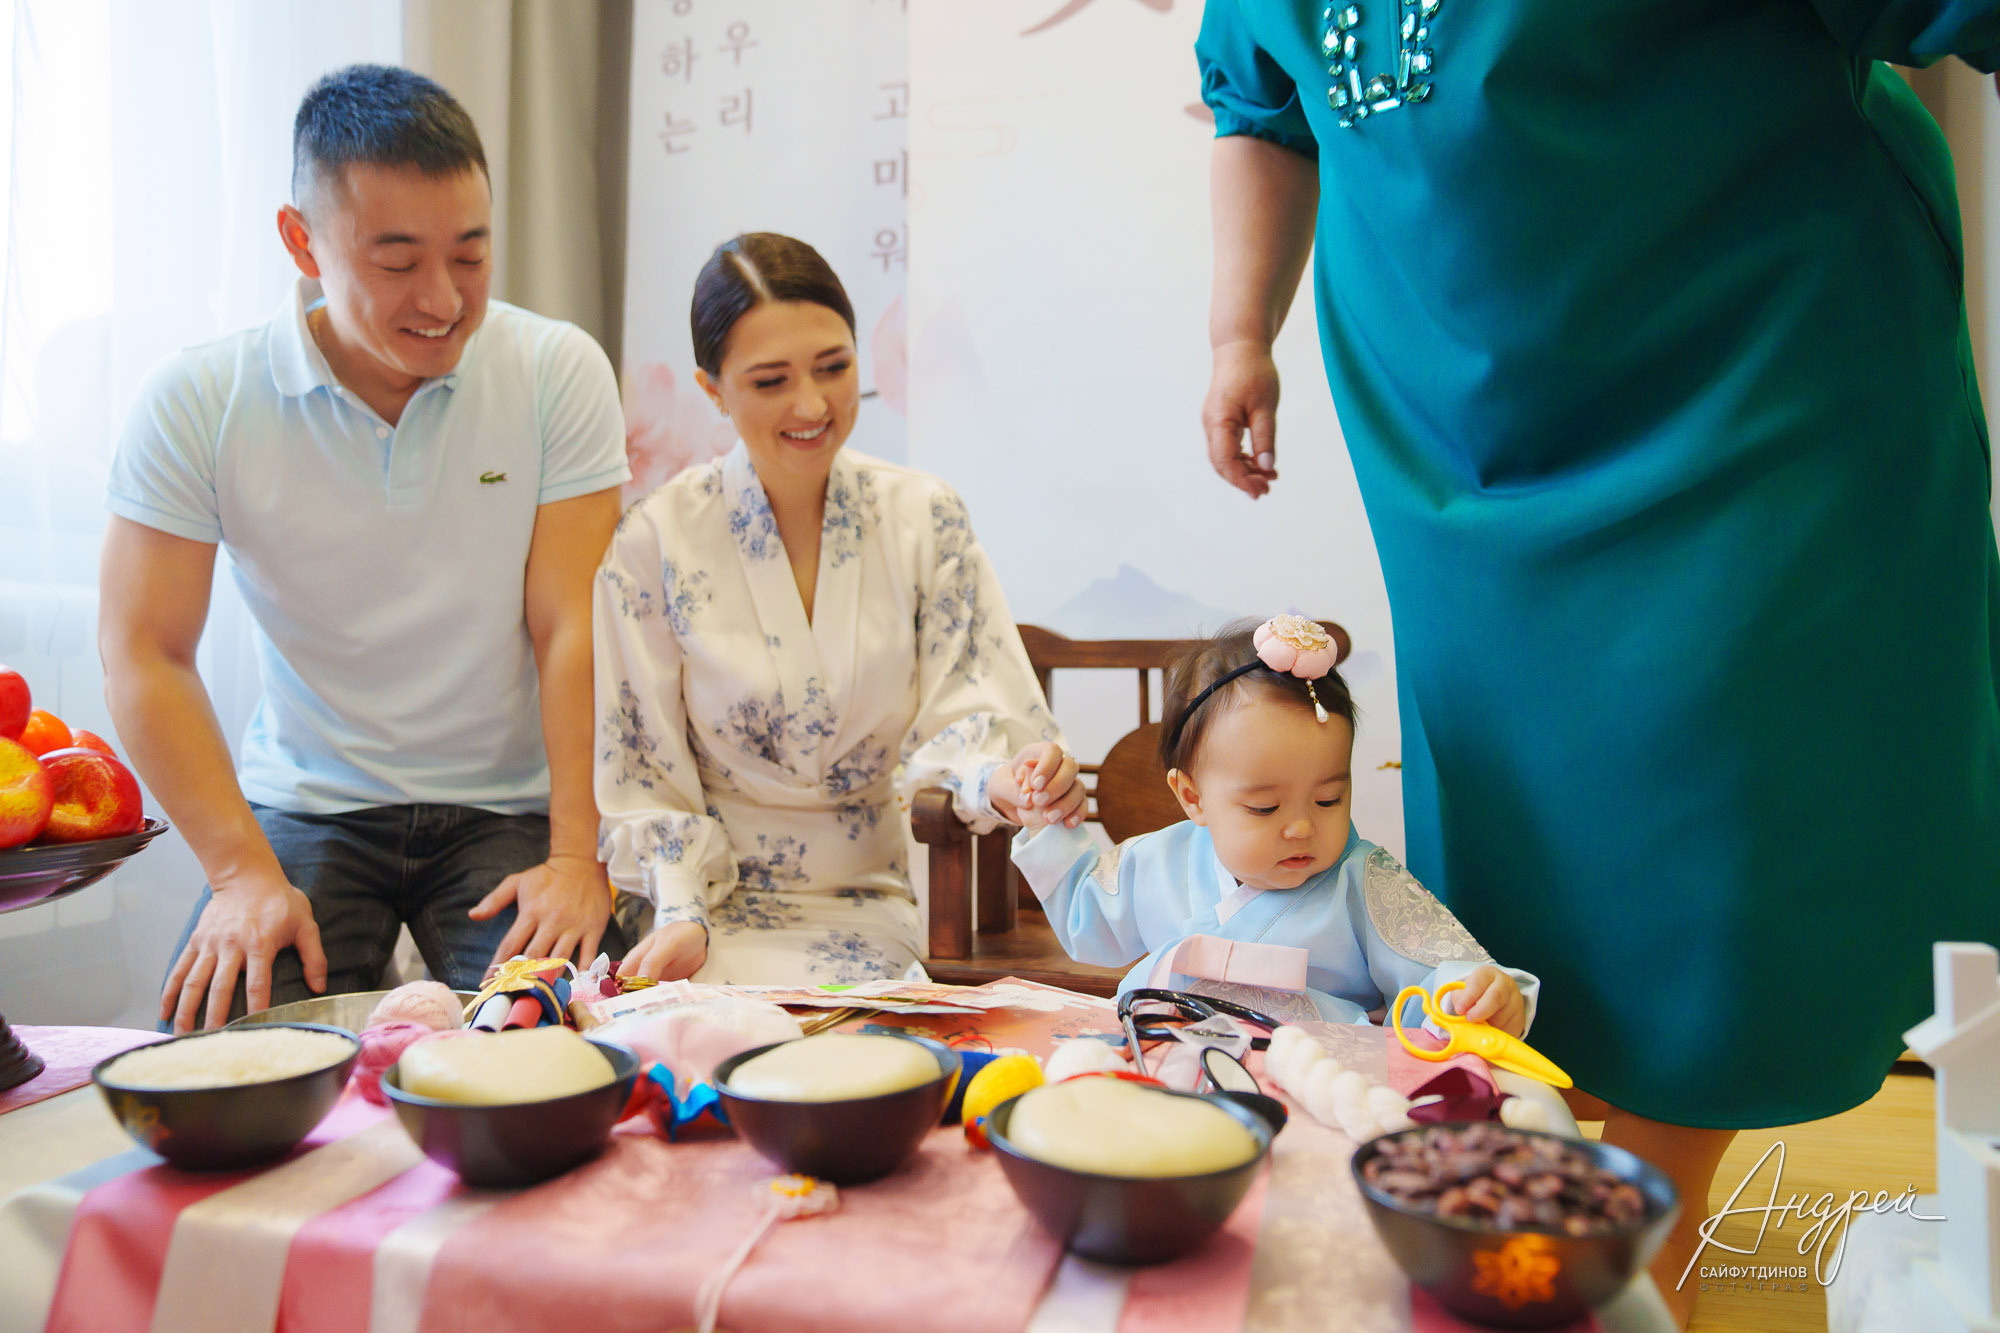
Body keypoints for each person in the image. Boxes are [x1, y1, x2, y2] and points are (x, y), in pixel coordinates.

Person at [1194, 2, 2000, 1321]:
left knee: (1739, 836)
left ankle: (1617, 1253)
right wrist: (1238, 335)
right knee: (1535, 861)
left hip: (1758, 381)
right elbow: (1262, 109)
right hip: (1465, 449)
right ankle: (1566, 1221)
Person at [100, 64, 630, 1034]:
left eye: (471, 256)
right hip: (311, 803)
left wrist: (574, 857)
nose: (443, 298)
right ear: (300, 242)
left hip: (510, 806)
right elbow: (146, 650)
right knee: (225, 1057)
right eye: (397, 262)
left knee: (578, 1038)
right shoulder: (200, 400)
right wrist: (238, 874)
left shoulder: (554, 370)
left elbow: (570, 628)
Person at [596, 232, 1083, 984]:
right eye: (769, 380)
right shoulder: (654, 541)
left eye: (834, 366)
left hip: (874, 901)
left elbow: (971, 715)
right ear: (712, 389)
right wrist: (683, 910)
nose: (812, 404)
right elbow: (644, 769)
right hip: (706, 911)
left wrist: (1009, 779)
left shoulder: (926, 518)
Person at [1016, 616, 1536, 1033]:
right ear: (1192, 797)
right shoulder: (1158, 860)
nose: (1301, 828)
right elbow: (1088, 918)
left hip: (1315, 1083)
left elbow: (1441, 971)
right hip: (1165, 1061)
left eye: (1329, 799)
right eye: (1265, 808)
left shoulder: (1362, 880)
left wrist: (1480, 995)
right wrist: (1045, 817)